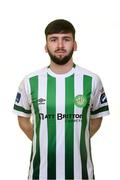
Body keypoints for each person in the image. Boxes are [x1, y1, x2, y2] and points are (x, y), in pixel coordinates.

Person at [13, 19, 110, 180]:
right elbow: (23, 120)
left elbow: (96, 120)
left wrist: (75, 138)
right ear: (45, 46)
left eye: (66, 39)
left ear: (75, 45)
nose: (60, 45)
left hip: (81, 175)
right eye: (53, 39)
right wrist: (43, 138)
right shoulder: (30, 81)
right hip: (40, 174)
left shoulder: (92, 80)